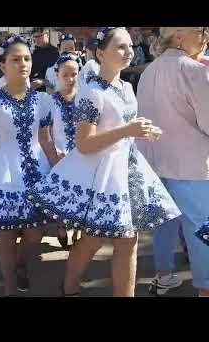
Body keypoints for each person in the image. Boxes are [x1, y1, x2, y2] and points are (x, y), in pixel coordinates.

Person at [29, 27, 181, 297]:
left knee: (127, 241)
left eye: (130, 46)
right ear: (101, 53)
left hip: (126, 169)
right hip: (100, 172)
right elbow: (85, 144)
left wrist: (144, 129)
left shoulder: (125, 87)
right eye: (121, 46)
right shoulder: (90, 92)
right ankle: (70, 285)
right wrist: (127, 131)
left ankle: (79, 287)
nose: (129, 51)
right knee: (93, 240)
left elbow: (124, 125)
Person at [0, 35, 59, 296]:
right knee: (7, 233)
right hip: (3, 171)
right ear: (3, 66)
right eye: (16, 59)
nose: (23, 64)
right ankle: (10, 285)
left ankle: (18, 263)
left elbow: (45, 140)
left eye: (27, 58)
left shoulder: (43, 101)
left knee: (35, 235)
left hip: (36, 172)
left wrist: (61, 169)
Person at [137, 27, 209, 298]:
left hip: (155, 162)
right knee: (202, 227)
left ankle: (164, 275)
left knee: (165, 223)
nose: (206, 36)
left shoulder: (149, 72)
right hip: (191, 165)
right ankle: (205, 287)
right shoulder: (195, 71)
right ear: (179, 36)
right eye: (200, 31)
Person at [46, 52, 84, 249]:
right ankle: (61, 226)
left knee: (81, 192)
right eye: (65, 75)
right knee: (62, 193)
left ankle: (78, 230)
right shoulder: (50, 101)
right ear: (57, 75)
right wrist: (53, 153)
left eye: (74, 74)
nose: (70, 79)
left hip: (82, 152)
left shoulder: (85, 99)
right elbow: (47, 132)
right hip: (60, 154)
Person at [120, 27, 151, 94]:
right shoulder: (121, 48)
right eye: (136, 30)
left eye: (139, 31)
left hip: (140, 90)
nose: (138, 33)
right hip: (123, 90)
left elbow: (151, 65)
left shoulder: (144, 47)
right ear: (127, 32)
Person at [30, 27, 59, 92]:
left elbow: (58, 77)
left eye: (39, 36)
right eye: (35, 37)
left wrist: (43, 82)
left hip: (50, 92)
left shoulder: (56, 53)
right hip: (35, 92)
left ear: (47, 35)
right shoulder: (34, 53)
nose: (36, 39)